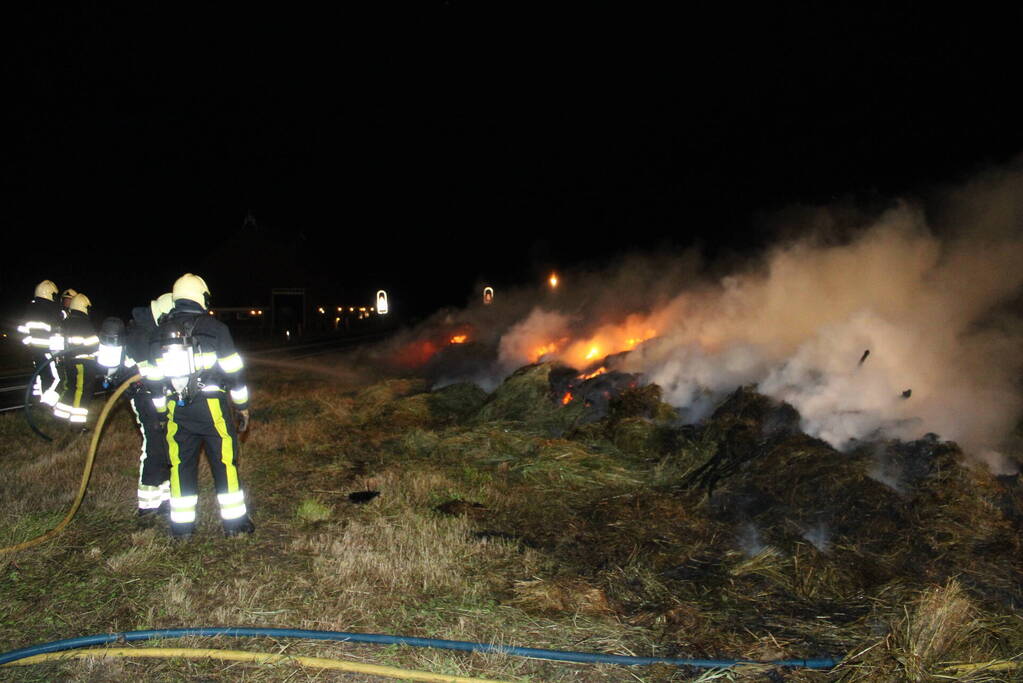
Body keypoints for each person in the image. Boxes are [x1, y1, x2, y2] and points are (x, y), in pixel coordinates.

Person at [150, 274, 253, 538]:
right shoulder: (216, 328)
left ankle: (181, 528)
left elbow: (154, 381)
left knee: (180, 465)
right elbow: (233, 372)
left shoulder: (159, 332)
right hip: (211, 407)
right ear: (202, 296)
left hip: (177, 409)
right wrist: (242, 406)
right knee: (225, 462)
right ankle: (235, 524)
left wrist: (161, 413)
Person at [122, 293, 175, 518]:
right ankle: (147, 504)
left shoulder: (153, 330)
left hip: (157, 395)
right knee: (153, 445)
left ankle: (164, 498)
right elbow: (153, 376)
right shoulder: (141, 334)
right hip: (144, 397)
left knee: (164, 444)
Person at [53, 293, 98, 424]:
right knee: (81, 391)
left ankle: (60, 417)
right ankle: (77, 423)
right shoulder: (85, 324)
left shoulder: (65, 323)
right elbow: (94, 346)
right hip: (83, 363)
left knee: (69, 388)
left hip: (68, 362)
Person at [17, 280, 63, 406]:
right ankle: (48, 404)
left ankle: (38, 400)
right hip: (48, 351)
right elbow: (58, 331)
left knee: (40, 376)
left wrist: (30, 344)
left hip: (35, 352)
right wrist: (57, 351)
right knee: (55, 378)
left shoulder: (30, 309)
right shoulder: (50, 310)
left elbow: (21, 330)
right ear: (49, 294)